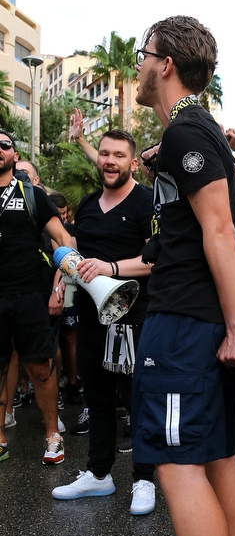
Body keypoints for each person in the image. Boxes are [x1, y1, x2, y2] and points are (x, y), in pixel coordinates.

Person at [131, 15, 235, 536]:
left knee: (179, 464)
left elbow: (219, 230)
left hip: (186, 324)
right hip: (196, 322)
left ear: (168, 62)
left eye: (142, 53)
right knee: (214, 456)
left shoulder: (187, 129)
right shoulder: (191, 130)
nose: (137, 63)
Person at [50, 129, 157, 515]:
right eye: (104, 154)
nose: (109, 161)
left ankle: (144, 479)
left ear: (132, 163)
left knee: (135, 399)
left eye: (117, 155)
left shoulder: (146, 202)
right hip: (92, 317)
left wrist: (111, 267)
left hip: (131, 315)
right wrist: (62, 277)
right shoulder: (90, 203)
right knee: (97, 397)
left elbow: (154, 258)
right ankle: (99, 475)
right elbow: (78, 252)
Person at [0, 129, 71, 465]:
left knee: (39, 366)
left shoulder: (30, 193)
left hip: (29, 292)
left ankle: (52, 435)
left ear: (14, 154)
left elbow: (62, 237)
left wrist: (62, 283)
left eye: (4, 145)